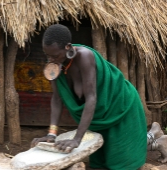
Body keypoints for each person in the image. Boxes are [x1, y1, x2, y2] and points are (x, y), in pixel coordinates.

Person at [31, 24, 147, 170]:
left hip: (120, 106)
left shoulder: (84, 56)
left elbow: (91, 98)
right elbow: (57, 99)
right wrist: (52, 134)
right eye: (47, 55)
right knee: (99, 163)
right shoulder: (54, 66)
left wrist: (77, 139)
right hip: (99, 115)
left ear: (68, 47)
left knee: (122, 161)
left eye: (54, 56)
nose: (51, 60)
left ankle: (153, 140)